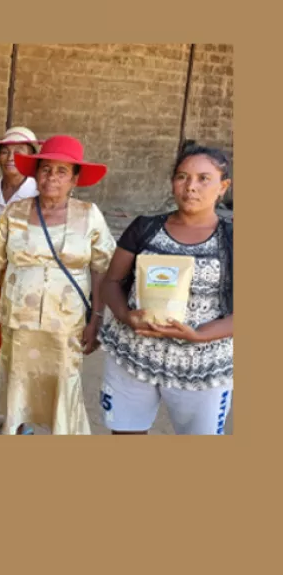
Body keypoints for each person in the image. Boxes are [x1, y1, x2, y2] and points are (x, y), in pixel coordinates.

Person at [0, 135, 115, 435]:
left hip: (66, 320)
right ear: (35, 174)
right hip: (18, 315)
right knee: (20, 375)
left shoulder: (89, 215)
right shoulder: (14, 213)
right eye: (45, 169)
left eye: (62, 171)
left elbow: (102, 269)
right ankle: (17, 426)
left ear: (75, 180)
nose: (51, 177)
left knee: (64, 377)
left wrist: (97, 319)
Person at [98, 145, 233, 435]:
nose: (191, 187)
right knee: (125, 435)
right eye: (182, 177)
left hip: (202, 366)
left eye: (203, 178)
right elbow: (111, 283)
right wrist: (125, 316)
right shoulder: (145, 228)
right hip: (133, 355)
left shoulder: (233, 238)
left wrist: (198, 335)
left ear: (223, 187)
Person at [0, 127, 40, 401]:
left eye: (19, 152)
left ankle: (20, 410)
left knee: (22, 343)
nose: (10, 157)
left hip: (26, 279)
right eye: (5, 151)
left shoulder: (40, 192)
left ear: (32, 157)